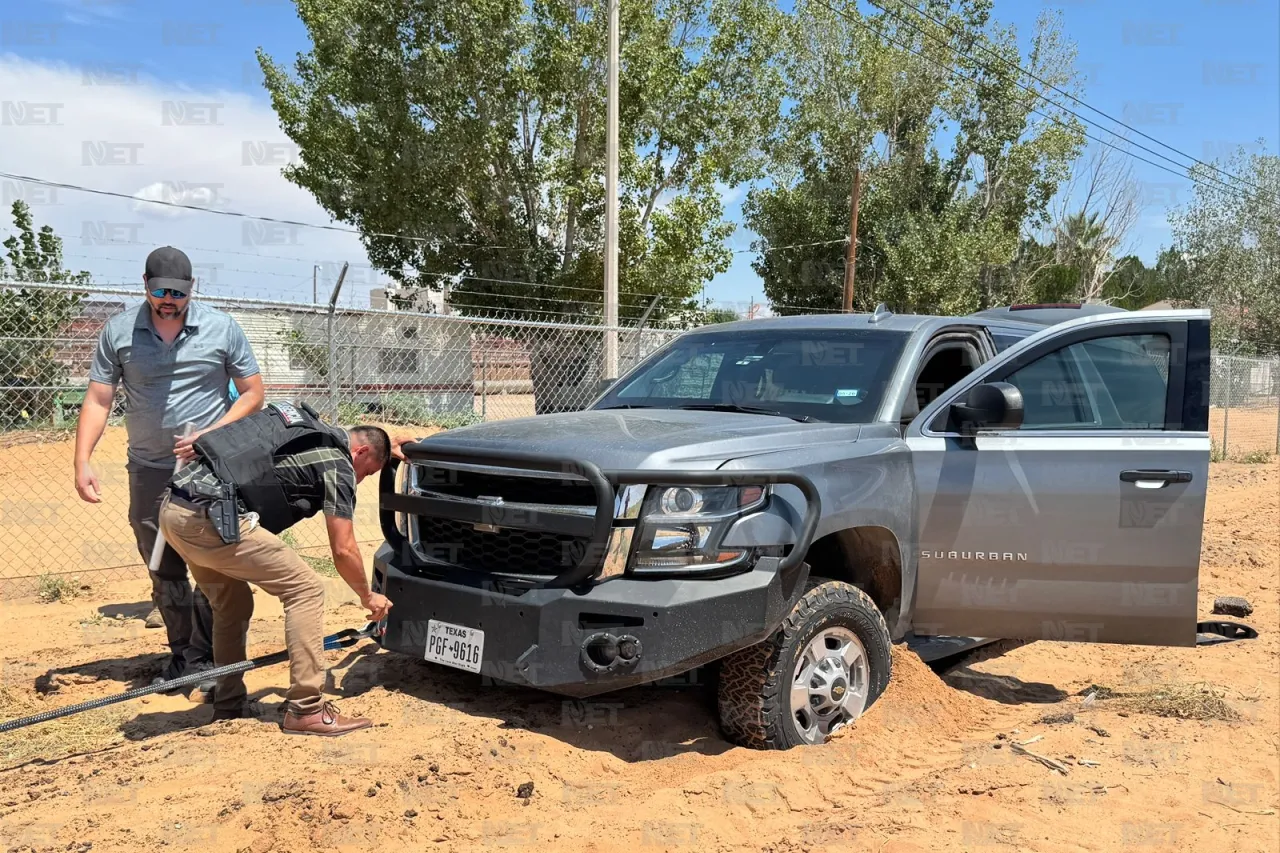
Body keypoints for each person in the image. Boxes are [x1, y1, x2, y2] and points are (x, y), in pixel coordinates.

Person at [74, 246, 265, 701]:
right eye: (160, 292)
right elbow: (99, 399)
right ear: (145, 284)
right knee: (161, 564)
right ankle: (183, 655)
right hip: (148, 468)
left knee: (213, 562)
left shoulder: (221, 328)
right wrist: (82, 460)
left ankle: (208, 655)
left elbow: (253, 393)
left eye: (178, 294)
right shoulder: (119, 331)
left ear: (191, 289)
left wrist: (211, 434)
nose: (168, 301)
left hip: (209, 469)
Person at [156, 400, 395, 735]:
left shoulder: (307, 430)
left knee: (232, 603)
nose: (362, 479)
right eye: (367, 471)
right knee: (306, 589)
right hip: (211, 520)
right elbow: (343, 549)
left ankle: (228, 704)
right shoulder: (338, 463)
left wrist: (394, 442)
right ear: (361, 451)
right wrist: (367, 595)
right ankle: (307, 709)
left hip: (175, 510)